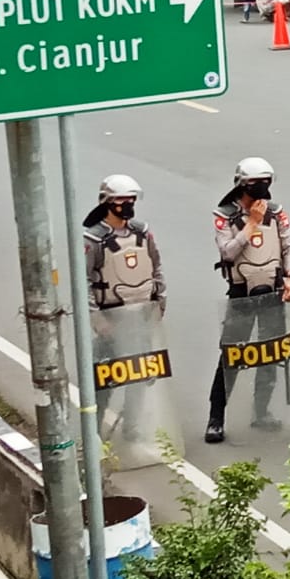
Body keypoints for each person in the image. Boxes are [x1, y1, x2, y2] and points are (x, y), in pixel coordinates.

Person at [206, 158, 290, 444]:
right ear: (242, 185)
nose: (262, 188)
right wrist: (253, 224)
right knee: (232, 356)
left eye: (266, 182)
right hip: (240, 295)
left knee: (270, 353)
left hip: (272, 290)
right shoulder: (225, 216)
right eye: (256, 183)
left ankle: (262, 411)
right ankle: (216, 418)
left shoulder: (277, 213)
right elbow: (228, 253)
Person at [82, 175, 165, 437]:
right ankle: (93, 432)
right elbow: (82, 281)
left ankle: (132, 427)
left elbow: (156, 267)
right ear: (107, 201)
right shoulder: (93, 239)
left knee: (140, 376)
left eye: (131, 198)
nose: (127, 203)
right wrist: (97, 319)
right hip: (112, 319)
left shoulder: (142, 232)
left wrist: (159, 303)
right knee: (105, 378)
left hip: (141, 316)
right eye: (121, 198)